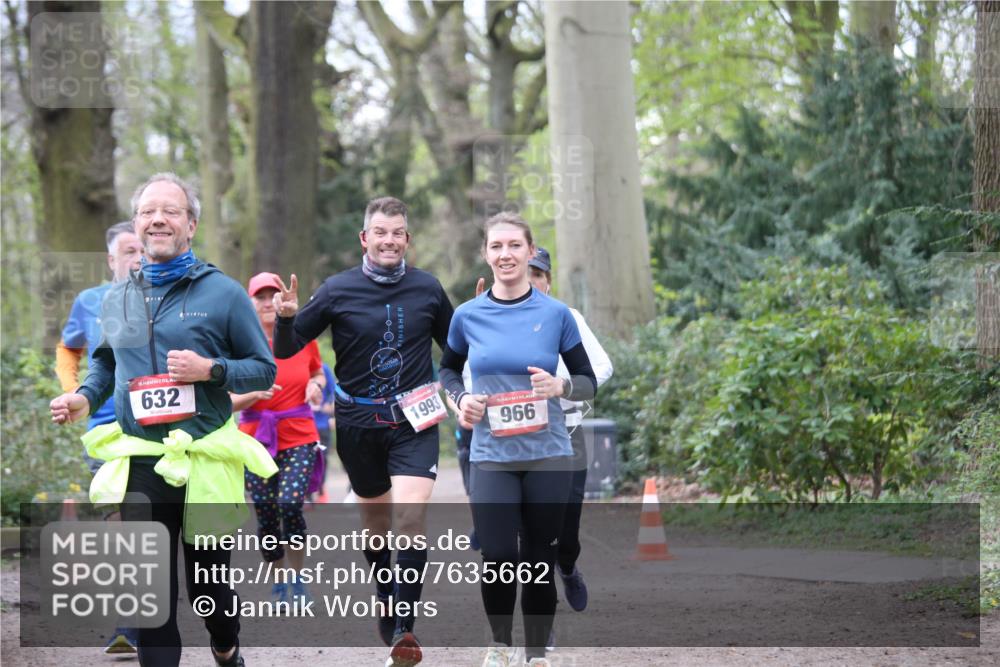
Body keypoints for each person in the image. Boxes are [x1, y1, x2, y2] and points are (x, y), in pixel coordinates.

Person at [49, 172, 278, 667]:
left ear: (190, 225)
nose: (158, 219)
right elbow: (105, 365)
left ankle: (225, 645)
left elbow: (263, 369)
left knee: (209, 588)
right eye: (148, 211)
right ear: (136, 224)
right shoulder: (118, 297)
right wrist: (84, 399)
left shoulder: (223, 293)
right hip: (143, 462)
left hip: (205, 461)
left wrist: (210, 370)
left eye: (171, 211)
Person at [271, 196, 454, 667]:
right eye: (380, 232)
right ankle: (384, 592)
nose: (389, 240)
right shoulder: (337, 290)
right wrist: (286, 319)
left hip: (415, 419)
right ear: (365, 238)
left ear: (407, 239)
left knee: (410, 518)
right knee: (376, 527)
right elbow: (288, 349)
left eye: (397, 233)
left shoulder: (428, 289)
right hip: (357, 423)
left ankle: (404, 627)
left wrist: (474, 335)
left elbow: (456, 350)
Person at [439, 212, 597, 667]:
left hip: (549, 453)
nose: (505, 254)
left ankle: (536, 653)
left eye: (514, 246)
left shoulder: (556, 314)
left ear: (530, 252)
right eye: (496, 246)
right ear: (486, 254)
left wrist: (560, 386)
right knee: (498, 554)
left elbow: (587, 382)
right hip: (491, 454)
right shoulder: (468, 316)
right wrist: (461, 399)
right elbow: (448, 371)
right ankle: (500, 645)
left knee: (538, 557)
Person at [55, 220, 144, 656]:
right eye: (129, 251)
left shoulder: (168, 300)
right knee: (121, 523)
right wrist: (74, 391)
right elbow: (67, 348)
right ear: (111, 259)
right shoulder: (90, 301)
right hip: (106, 431)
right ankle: (130, 622)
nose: (138, 258)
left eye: (142, 249)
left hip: (157, 431)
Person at [527, 247, 613, 616]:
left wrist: (563, 387)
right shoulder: (494, 318)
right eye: (524, 273)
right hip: (520, 434)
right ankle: (539, 596)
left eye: (537, 274)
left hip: (567, 428)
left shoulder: (568, 317)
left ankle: (567, 565)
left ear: (548, 282)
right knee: (527, 524)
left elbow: (602, 367)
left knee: (566, 523)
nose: (530, 281)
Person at [231, 272, 326, 604]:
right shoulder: (238, 343)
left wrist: (316, 384)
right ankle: (279, 583)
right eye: (260, 296)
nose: (267, 302)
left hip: (299, 433)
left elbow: (317, 372)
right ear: (250, 303)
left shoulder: (302, 337)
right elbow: (225, 401)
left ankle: (298, 580)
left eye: (273, 295)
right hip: (254, 438)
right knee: (267, 512)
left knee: (290, 503)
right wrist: (254, 394)